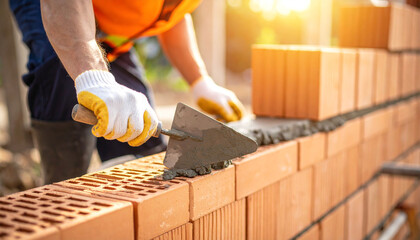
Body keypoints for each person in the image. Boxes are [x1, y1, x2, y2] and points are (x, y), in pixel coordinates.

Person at [10, 0, 245, 184]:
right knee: (61, 73)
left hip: (112, 34)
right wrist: (93, 76)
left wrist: (199, 81)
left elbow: (173, 14)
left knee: (141, 137)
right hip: (58, 8)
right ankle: (60, 193)